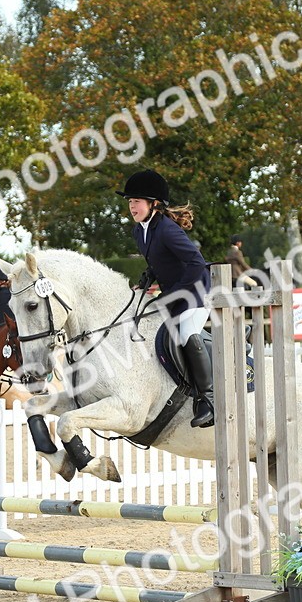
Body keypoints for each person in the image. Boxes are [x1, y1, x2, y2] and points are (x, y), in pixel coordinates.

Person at [117, 168, 213, 428]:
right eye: (130, 201)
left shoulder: (168, 230)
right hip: (174, 293)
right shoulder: (140, 230)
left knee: (186, 335)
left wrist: (174, 292)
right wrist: (147, 278)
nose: (132, 206)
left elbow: (196, 263)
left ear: (153, 203)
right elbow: (159, 261)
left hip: (196, 292)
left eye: (136, 201)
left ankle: (208, 399)